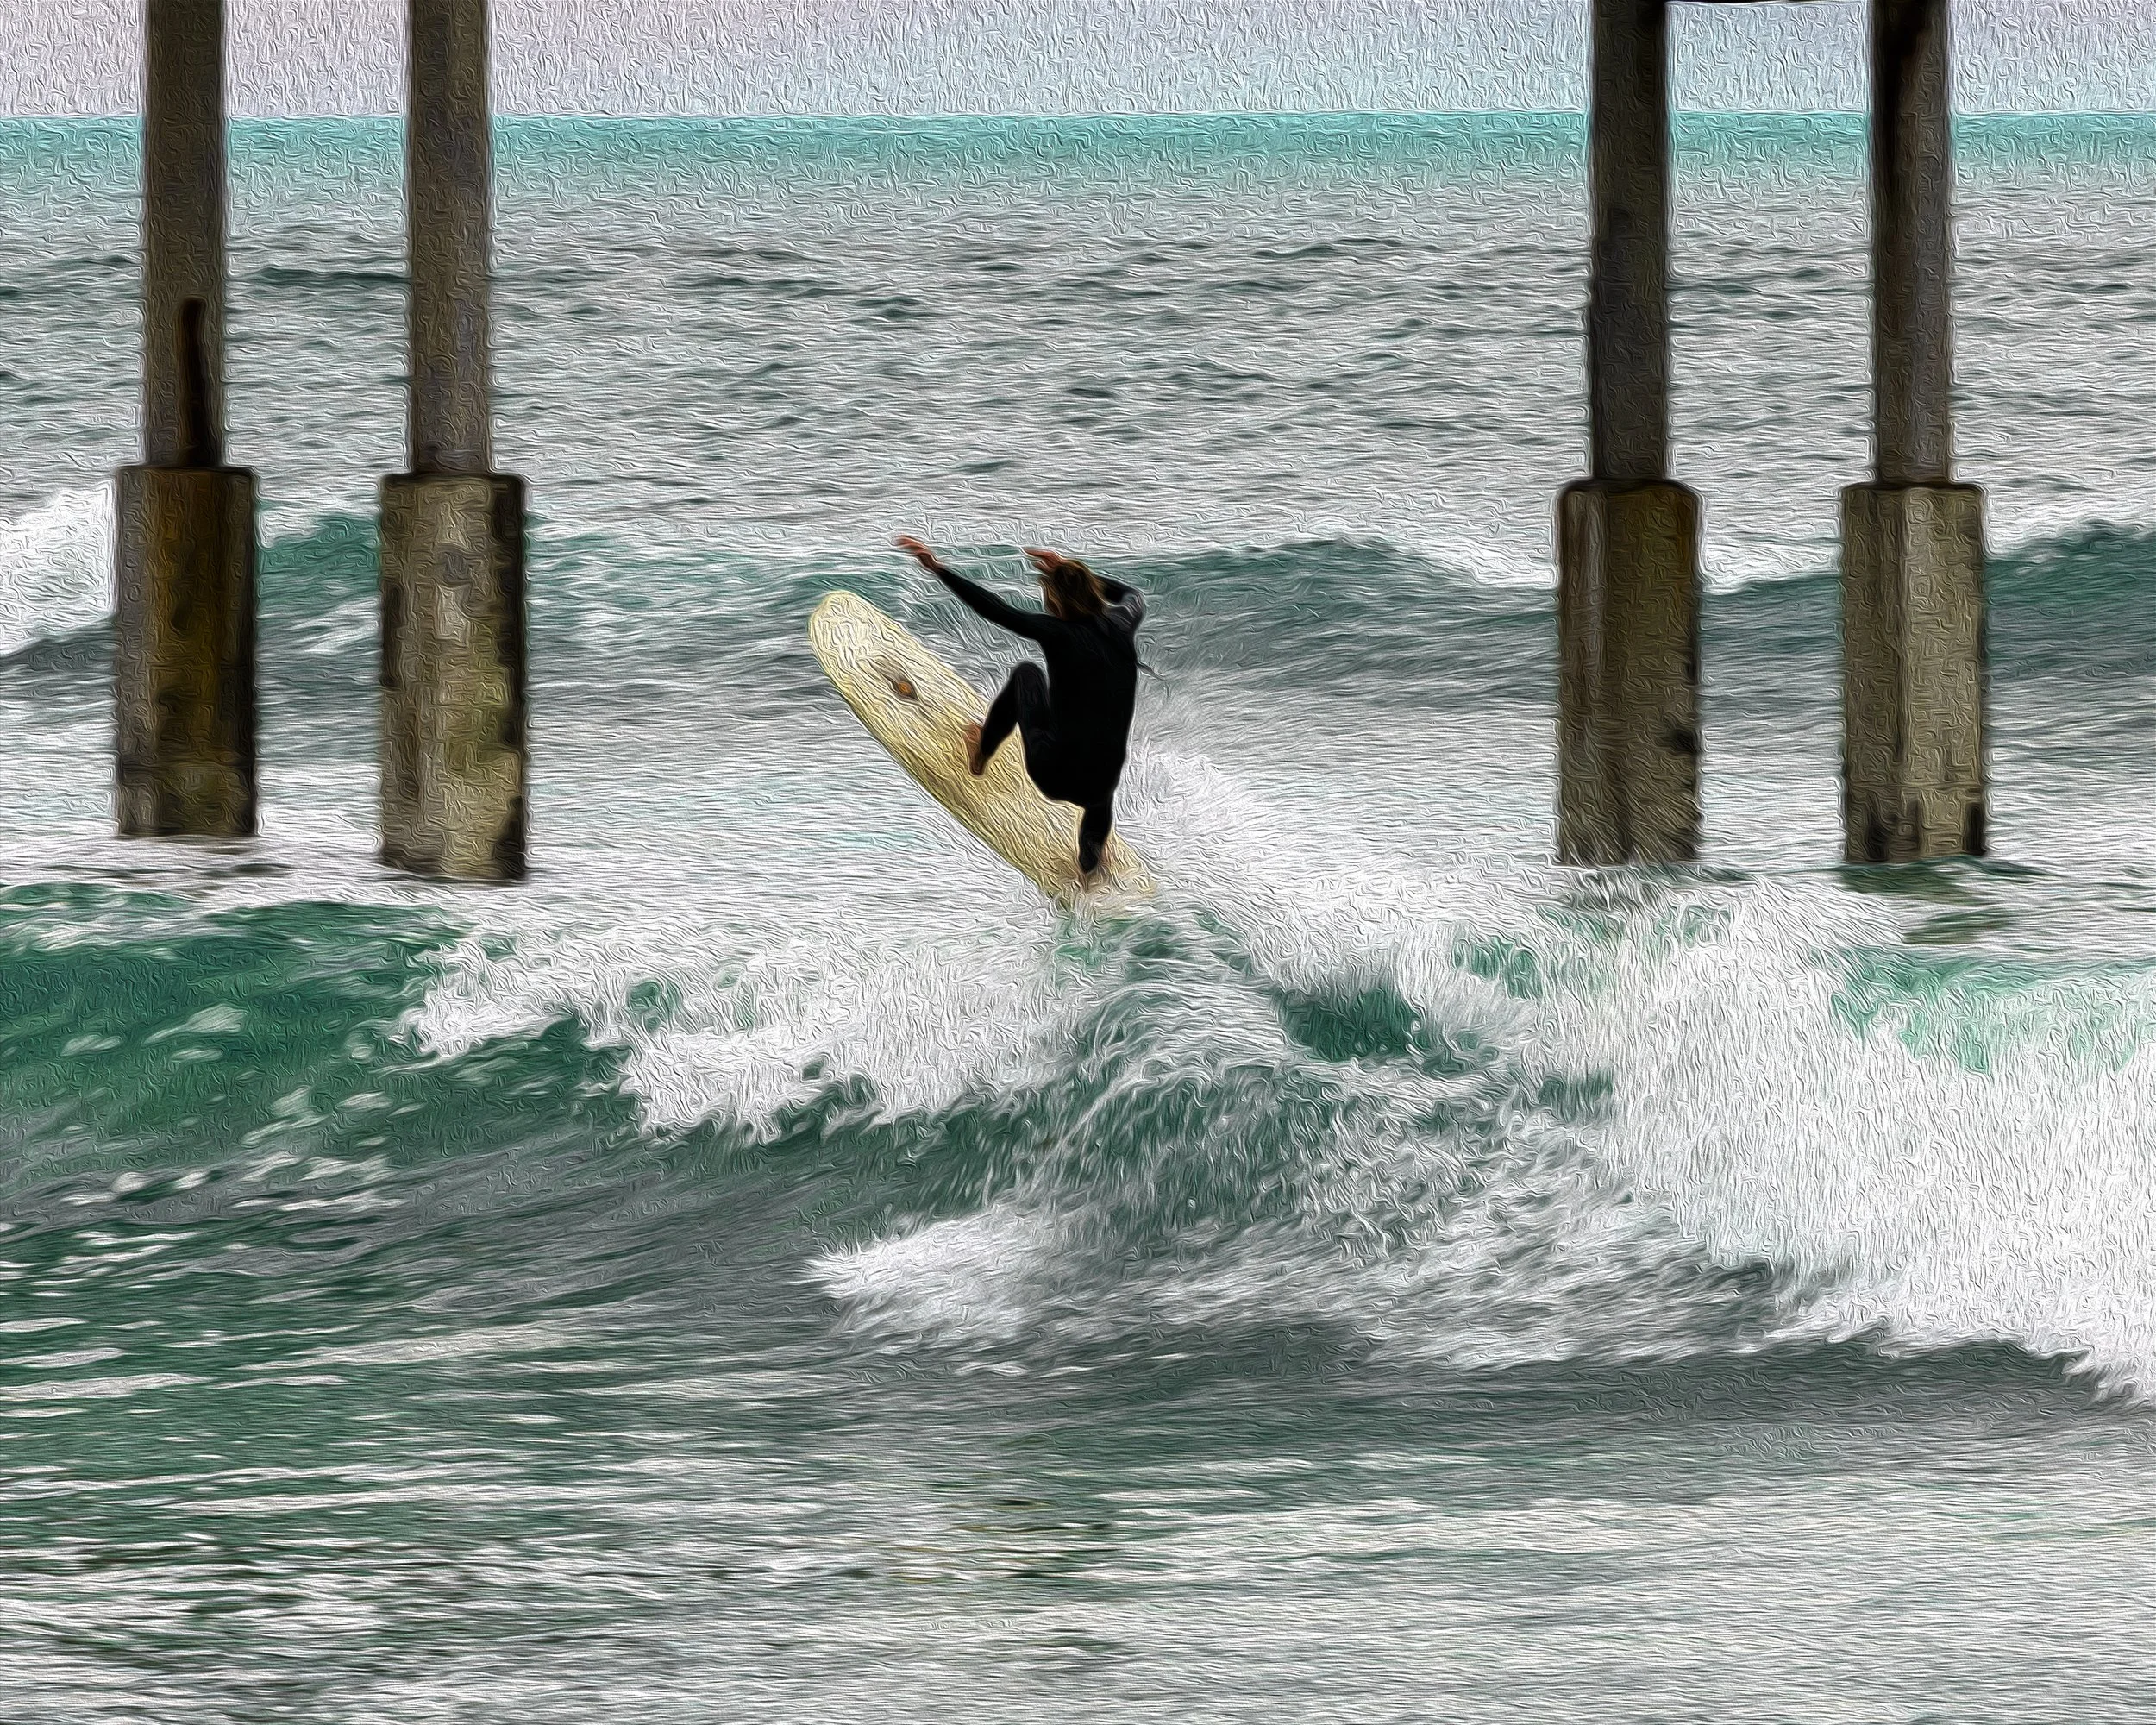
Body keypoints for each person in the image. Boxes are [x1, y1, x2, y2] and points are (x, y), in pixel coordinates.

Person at [895, 536, 1145, 878]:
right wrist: (1075, 573)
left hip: (1053, 773)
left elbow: (996, 610)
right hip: (1102, 784)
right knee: (1099, 782)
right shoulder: (1122, 625)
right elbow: (1133, 596)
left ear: (1055, 601)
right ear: (1092, 591)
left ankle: (981, 753)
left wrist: (939, 569)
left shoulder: (1056, 632)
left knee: (1027, 674)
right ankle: (1090, 859)